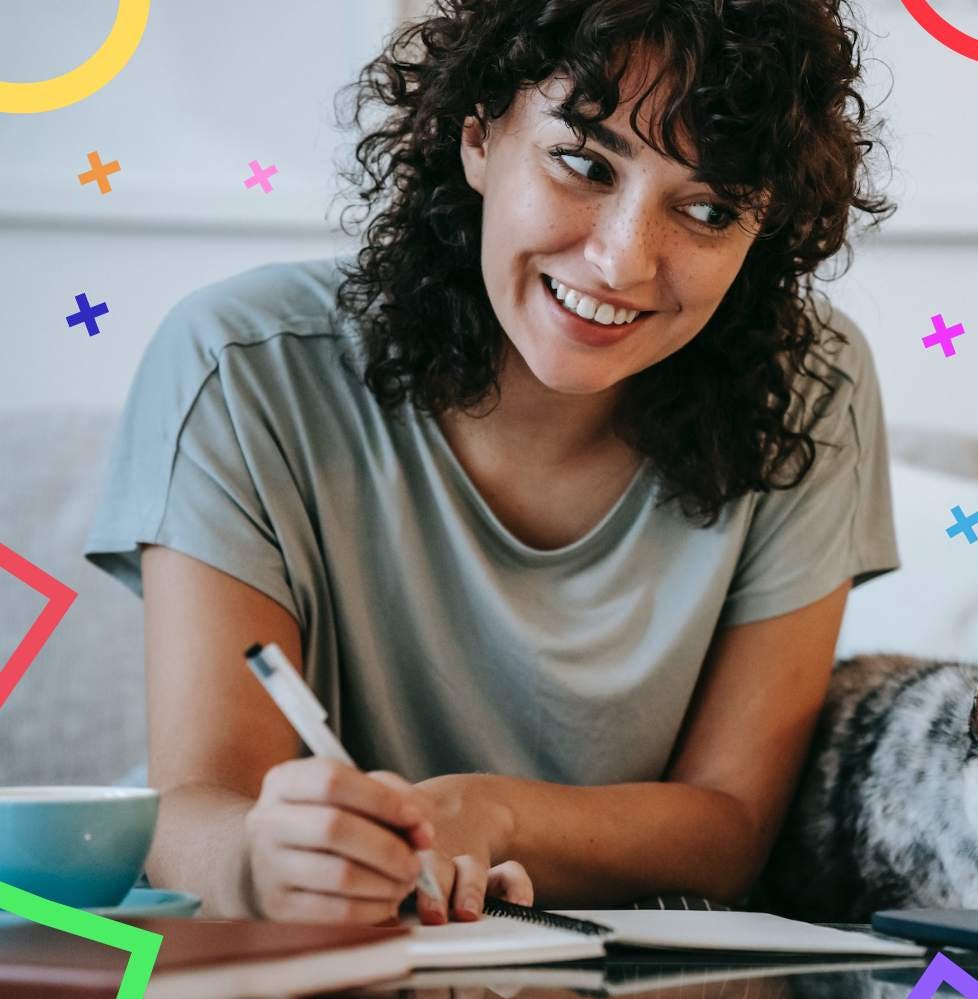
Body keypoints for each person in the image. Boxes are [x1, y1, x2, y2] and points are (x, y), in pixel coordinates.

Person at [84, 0, 899, 926]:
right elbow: (196, 809)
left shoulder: (810, 388)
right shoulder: (238, 367)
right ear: (478, 135)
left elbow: (731, 825)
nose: (622, 261)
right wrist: (262, 861)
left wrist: (493, 812)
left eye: (709, 208)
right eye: (584, 163)